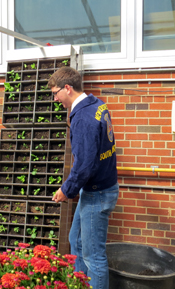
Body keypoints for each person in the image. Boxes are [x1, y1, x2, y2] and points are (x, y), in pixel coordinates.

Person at [48, 67, 118, 289]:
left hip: (97, 193)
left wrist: (66, 190)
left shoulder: (83, 118)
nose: (55, 98)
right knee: (75, 241)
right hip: (98, 189)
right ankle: (80, 285)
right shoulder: (96, 105)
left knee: (93, 256)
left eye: (55, 93)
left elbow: (84, 165)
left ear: (67, 88)